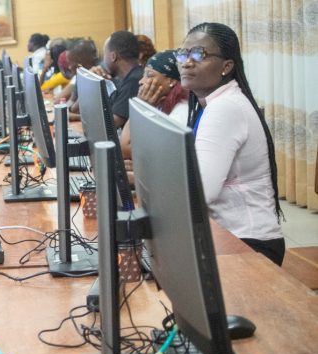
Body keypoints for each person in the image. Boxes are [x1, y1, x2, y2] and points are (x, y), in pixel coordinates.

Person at [178, 22, 284, 265]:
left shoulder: (224, 108)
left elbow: (201, 192)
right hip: (230, 236)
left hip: (248, 243)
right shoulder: (213, 104)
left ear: (226, 66)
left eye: (198, 54)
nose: (187, 62)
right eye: (183, 54)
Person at [120, 50, 189, 160]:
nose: (141, 81)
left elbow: (125, 147)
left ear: (171, 81)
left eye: (149, 75)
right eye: (143, 75)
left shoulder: (180, 112)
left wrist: (141, 106)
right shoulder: (159, 105)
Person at [97, 31, 142, 128]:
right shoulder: (128, 78)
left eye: (105, 54)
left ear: (113, 56)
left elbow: (111, 124)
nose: (103, 60)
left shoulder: (134, 82)